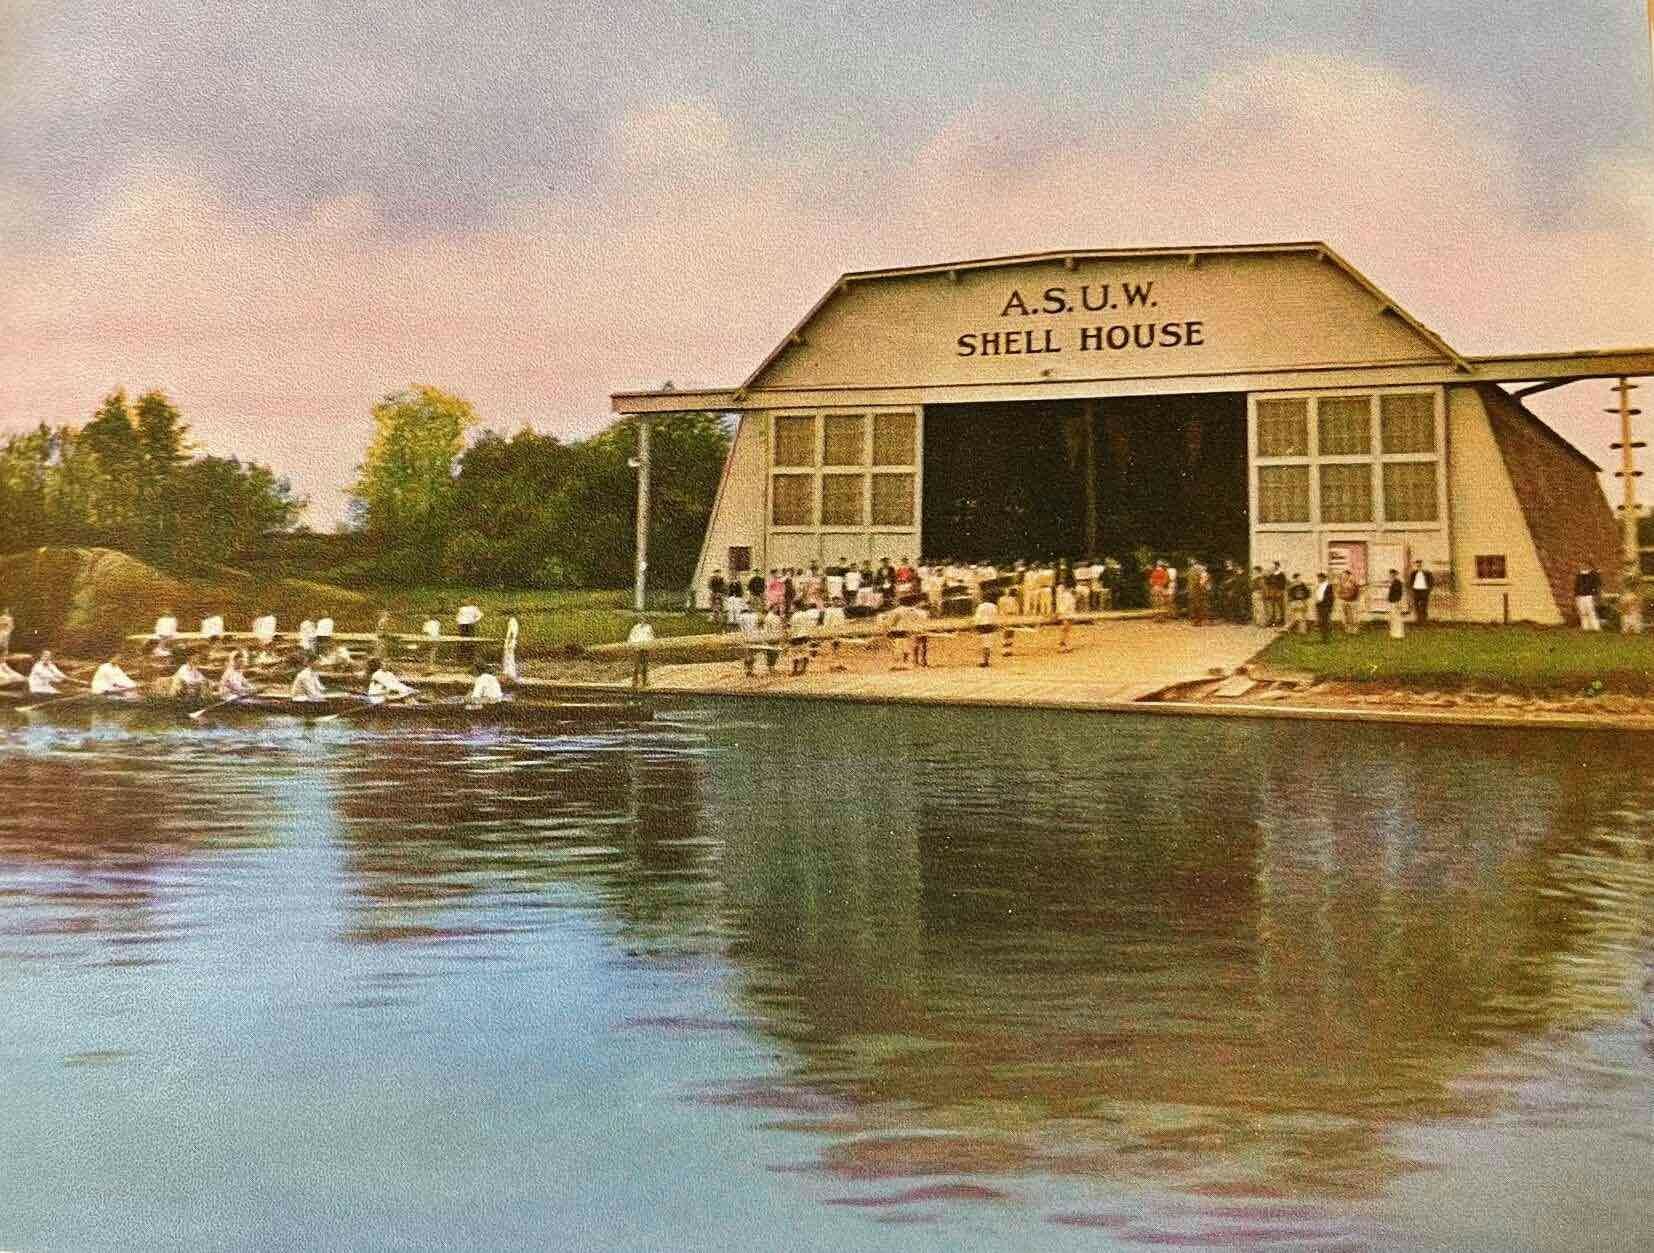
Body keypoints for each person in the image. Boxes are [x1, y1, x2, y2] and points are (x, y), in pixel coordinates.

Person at [627, 618, 655, 689]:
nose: (643, 621)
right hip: (637, 648)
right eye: (641, 619)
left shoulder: (648, 627)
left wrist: (649, 645)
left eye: (644, 619)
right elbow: (631, 636)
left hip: (645, 648)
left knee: (645, 665)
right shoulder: (635, 627)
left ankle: (644, 681)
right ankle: (635, 681)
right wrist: (634, 645)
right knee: (636, 665)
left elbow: (651, 636)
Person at [974, 591, 1000, 667]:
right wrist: (996, 625)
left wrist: (976, 625)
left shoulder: (980, 606)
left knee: (983, 644)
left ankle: (984, 661)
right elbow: (995, 617)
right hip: (991, 626)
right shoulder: (994, 606)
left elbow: (978, 617)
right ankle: (986, 660)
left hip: (982, 626)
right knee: (988, 644)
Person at [1574, 565, 1602, 631]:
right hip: (1580, 596)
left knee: (1590, 611)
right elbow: (1577, 587)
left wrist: (1596, 573)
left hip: (1588, 596)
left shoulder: (1592, 575)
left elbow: (1598, 583)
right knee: (1583, 612)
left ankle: (1595, 627)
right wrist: (1576, 595)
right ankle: (1585, 627)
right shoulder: (1579, 576)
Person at [1336, 569, 1362, 634]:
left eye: (1345, 575)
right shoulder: (1341, 583)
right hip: (1344, 601)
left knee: (1353, 616)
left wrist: (1342, 595)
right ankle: (1347, 629)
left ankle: (1354, 630)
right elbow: (1338, 593)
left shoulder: (1352, 583)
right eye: (1343, 575)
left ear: (1349, 575)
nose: (1344, 576)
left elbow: (1352, 593)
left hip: (1352, 601)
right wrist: (1342, 595)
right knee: (1345, 616)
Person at [1409, 560, 1434, 625]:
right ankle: (1418, 620)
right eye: (1417, 566)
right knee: (1416, 606)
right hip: (1416, 591)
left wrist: (1428, 590)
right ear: (1416, 566)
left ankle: (1424, 620)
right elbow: (1411, 582)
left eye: (1420, 565)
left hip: (1424, 591)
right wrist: (1412, 589)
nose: (1419, 567)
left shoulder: (1427, 573)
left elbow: (1431, 582)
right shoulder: (1413, 573)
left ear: (1422, 565)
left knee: (1424, 606)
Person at [1313, 572, 1336, 642]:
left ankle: (1326, 637)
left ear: (1323, 578)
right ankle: (1325, 635)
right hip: (1319, 605)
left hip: (1325, 606)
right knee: (1322, 621)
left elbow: (1331, 598)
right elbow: (1317, 595)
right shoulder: (1318, 585)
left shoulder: (1328, 586)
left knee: (1325, 621)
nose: (1318, 579)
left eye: (1320, 578)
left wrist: (1329, 607)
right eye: (1318, 578)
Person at [1386, 569, 1407, 639]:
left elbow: (1399, 594)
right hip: (1392, 602)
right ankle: (1393, 633)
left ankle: (1398, 634)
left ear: (1395, 575)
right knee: (1393, 618)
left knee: (1397, 618)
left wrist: (1398, 602)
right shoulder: (1392, 582)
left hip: (1396, 602)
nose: (1391, 576)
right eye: (1390, 574)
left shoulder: (1398, 582)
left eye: (1392, 574)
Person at [501, 608, 521, 683]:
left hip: (510, 642)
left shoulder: (512, 621)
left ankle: (510, 674)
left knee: (508, 658)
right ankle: (509, 674)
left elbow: (513, 633)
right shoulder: (512, 621)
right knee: (508, 657)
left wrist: (510, 642)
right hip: (510, 642)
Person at [1267, 562, 1288, 627]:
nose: (1275, 567)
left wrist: (1280, 592)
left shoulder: (1281, 574)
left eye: (1276, 566)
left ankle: (1281, 621)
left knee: (1280, 607)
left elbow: (1283, 584)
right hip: (1272, 592)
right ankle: (1273, 622)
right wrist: (1270, 592)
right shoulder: (1271, 575)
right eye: (1274, 566)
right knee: (1272, 607)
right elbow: (1268, 583)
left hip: (1279, 592)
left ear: (1278, 566)